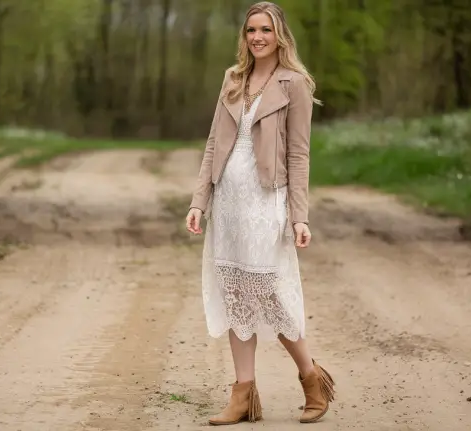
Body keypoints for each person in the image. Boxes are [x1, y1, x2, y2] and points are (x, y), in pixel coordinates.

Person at [185, 1, 335, 426]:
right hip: (229, 204)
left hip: (267, 201)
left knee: (269, 292)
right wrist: (200, 202)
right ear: (244, 35)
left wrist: (299, 215)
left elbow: (300, 154)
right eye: (251, 30)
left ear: (279, 34)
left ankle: (312, 378)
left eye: (265, 29)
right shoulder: (233, 79)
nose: (257, 37)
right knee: (235, 292)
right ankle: (243, 395)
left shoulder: (295, 84)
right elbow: (214, 144)